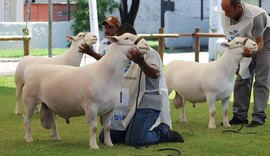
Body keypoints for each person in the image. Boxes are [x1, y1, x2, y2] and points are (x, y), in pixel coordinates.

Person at [80, 23, 184, 147]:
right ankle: (131, 131)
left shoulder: (150, 53)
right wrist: (92, 54)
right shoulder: (120, 54)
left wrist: (141, 62)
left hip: (146, 103)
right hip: (127, 101)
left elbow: (155, 73)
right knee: (105, 137)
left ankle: (163, 132)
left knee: (135, 141)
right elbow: (106, 65)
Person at [221, 0, 270, 127]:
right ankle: (239, 116)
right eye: (224, 10)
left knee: (261, 78)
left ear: (238, 7)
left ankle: (259, 117)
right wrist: (236, 63)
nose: (225, 14)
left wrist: (251, 53)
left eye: (228, 11)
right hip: (245, 42)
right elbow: (230, 39)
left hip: (264, 40)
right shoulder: (225, 15)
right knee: (242, 76)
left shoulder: (257, 16)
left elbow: (259, 42)